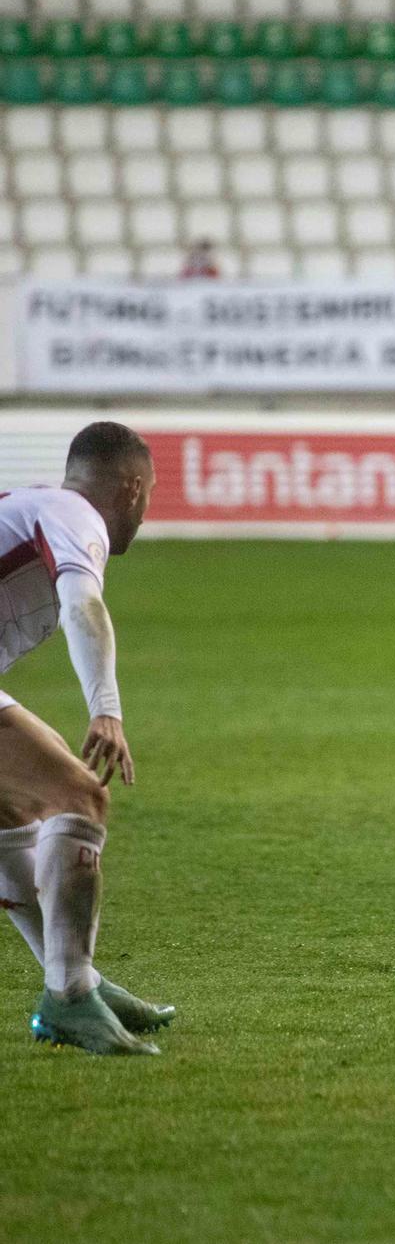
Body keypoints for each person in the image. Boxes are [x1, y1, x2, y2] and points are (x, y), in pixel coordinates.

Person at [0, 423, 174, 1056]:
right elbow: (83, 608)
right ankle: (70, 994)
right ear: (130, 488)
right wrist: (107, 709)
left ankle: (76, 981)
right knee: (79, 796)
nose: (146, 511)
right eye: (149, 495)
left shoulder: (41, 508)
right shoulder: (77, 517)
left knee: (14, 811)